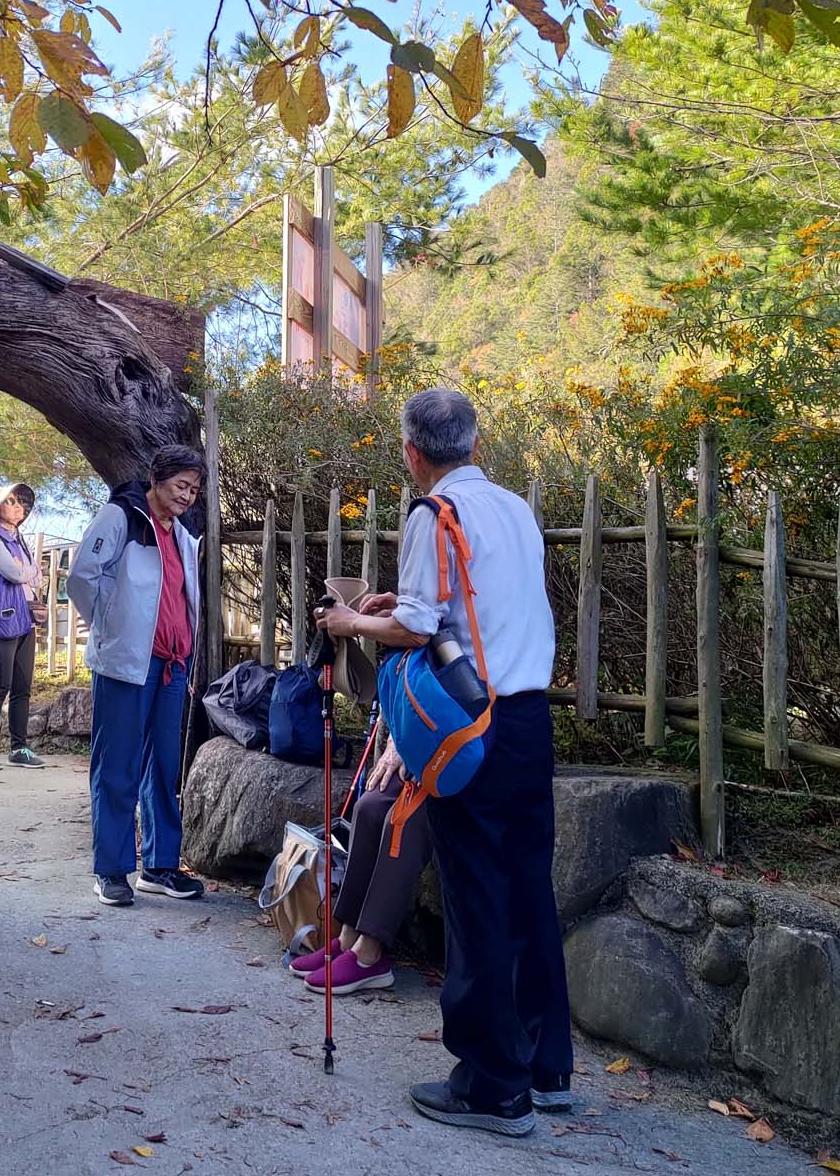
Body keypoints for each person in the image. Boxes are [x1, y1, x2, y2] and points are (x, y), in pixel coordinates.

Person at [314, 387, 569, 1137]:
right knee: (528, 891)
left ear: (412, 452)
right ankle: (545, 1066)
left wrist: (350, 618)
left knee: (477, 896)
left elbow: (421, 628)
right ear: (475, 444)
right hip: (527, 720)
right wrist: (406, 606)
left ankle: (493, 1087)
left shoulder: (434, 514)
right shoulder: (515, 509)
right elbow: (482, 605)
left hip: (472, 725)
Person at [68, 444, 205, 909]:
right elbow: (82, 577)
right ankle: (111, 870)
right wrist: (108, 626)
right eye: (181, 486)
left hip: (171, 665)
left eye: (194, 489)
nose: (187, 496)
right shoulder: (121, 517)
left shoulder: (182, 534)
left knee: (165, 767)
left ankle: (161, 864)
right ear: (157, 478)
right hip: (128, 663)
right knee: (118, 765)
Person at [290, 740, 432, 996]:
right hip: (428, 747)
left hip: (467, 757)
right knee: (368, 808)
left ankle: (369, 953)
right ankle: (348, 937)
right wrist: (398, 741)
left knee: (402, 821)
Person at [0, 483, 46, 771]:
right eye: (10, 501)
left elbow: (35, 577)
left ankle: (19, 746)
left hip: (24, 619)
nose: (18, 507)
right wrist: (28, 571)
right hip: (1, 619)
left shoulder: (18, 540)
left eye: (20, 503)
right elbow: (17, 573)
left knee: (22, 687)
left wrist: (28, 571)